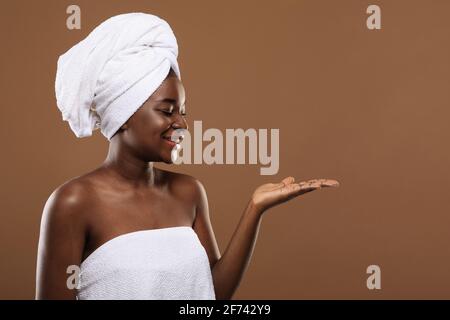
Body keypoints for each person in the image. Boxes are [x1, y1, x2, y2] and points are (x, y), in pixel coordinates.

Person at [36, 13, 339, 300]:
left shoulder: (189, 192)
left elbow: (211, 296)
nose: (181, 124)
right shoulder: (73, 203)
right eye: (167, 111)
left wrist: (254, 209)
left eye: (182, 112)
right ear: (123, 116)